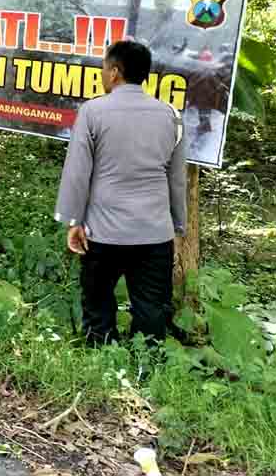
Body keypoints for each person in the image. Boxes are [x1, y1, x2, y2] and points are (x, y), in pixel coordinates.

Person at [55, 40, 187, 346]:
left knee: (98, 305)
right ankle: (147, 368)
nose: (103, 74)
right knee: (151, 310)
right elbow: (176, 179)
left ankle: (101, 364)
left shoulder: (93, 111)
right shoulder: (170, 115)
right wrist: (177, 224)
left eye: (104, 68)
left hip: (102, 234)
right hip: (154, 234)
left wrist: (73, 221)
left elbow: (77, 172)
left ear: (115, 72)